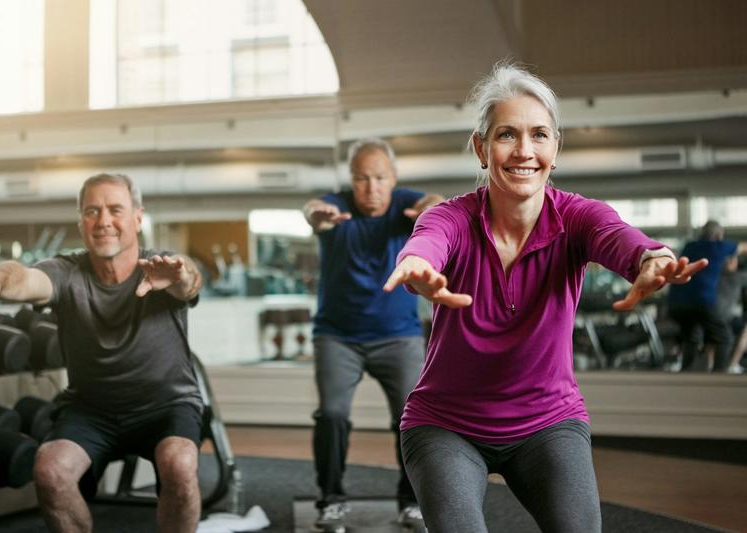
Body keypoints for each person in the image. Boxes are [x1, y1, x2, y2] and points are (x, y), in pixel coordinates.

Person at [382, 62, 707, 533]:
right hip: (446, 424)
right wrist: (418, 268)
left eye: (538, 135)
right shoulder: (452, 217)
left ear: (556, 148)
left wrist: (651, 257)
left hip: (547, 421)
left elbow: (617, 236)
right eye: (506, 135)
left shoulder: (577, 217)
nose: (524, 151)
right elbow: (428, 243)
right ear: (480, 147)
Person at [0, 173, 204, 533]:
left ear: (137, 217)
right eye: (92, 211)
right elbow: (24, 278)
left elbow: (189, 279)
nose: (103, 221)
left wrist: (180, 276)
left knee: (179, 464)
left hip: (166, 405)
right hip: (92, 410)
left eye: (115, 209)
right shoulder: (68, 272)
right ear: (81, 220)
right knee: (50, 469)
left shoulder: (160, 268)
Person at [302, 138, 443, 532]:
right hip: (337, 337)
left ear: (393, 178)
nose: (371, 187)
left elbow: (436, 200)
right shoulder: (338, 207)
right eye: (362, 178)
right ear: (351, 179)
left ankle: (411, 500)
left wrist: (431, 209)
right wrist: (318, 215)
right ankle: (330, 500)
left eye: (380, 178)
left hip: (398, 337)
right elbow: (313, 209)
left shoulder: (405, 204)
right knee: (331, 415)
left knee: (412, 418)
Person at [668, 221, 745, 372]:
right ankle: (718, 378)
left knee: (692, 337)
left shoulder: (689, 246)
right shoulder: (718, 246)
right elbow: (743, 247)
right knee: (724, 338)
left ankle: (686, 373)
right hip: (700, 302)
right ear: (718, 236)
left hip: (675, 303)